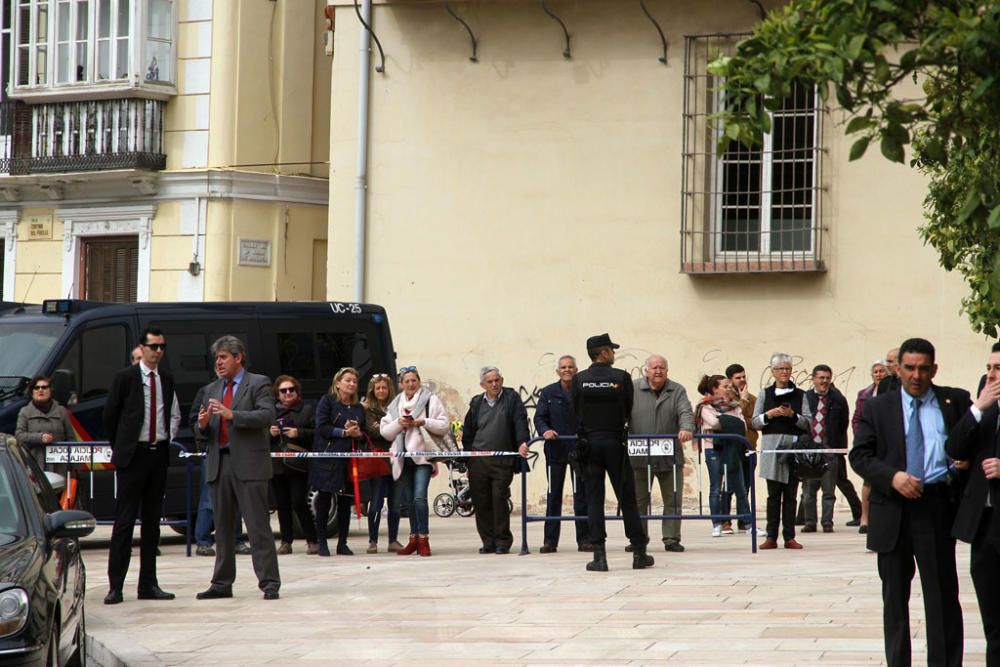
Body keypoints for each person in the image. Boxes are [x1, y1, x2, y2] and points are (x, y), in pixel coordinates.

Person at [849, 337, 968, 667]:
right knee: (895, 603)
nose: (916, 375)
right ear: (897, 368)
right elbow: (859, 457)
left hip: (936, 509)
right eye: (910, 368)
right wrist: (892, 477)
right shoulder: (877, 407)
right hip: (892, 512)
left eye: (923, 368)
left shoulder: (953, 402)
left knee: (942, 599)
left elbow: (972, 441)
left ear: (934, 369)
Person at [192, 335, 280, 601]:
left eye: (223, 357)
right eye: (216, 358)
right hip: (220, 464)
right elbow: (200, 431)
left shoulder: (258, 383)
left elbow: (267, 416)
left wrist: (233, 415)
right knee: (223, 528)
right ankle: (221, 582)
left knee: (257, 527)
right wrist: (203, 424)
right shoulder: (211, 390)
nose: (218, 363)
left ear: (238, 357)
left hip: (250, 464)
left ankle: (269, 582)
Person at [102, 328, 181, 605]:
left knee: (152, 523)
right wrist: (122, 447)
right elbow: (111, 416)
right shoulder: (125, 377)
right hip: (132, 455)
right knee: (124, 522)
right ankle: (116, 586)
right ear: (143, 348)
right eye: (153, 346)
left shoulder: (167, 379)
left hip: (157, 454)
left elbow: (169, 413)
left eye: (162, 347)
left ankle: (148, 583)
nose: (158, 351)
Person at [571, 333, 653, 571]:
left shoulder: (580, 379)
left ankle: (599, 556)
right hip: (615, 442)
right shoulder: (621, 377)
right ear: (604, 352)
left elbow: (575, 410)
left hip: (589, 443)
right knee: (627, 497)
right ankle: (639, 553)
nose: (614, 354)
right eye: (612, 350)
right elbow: (628, 408)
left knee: (594, 500)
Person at [947, 342, 1000, 667]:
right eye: (989, 368)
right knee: (994, 623)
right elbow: (954, 447)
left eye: (999, 369)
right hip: (985, 526)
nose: (992, 375)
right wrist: (977, 408)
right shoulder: (986, 410)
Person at [380, 366, 451, 556]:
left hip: (423, 458)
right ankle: (414, 539)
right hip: (403, 459)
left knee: (419, 497)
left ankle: (424, 539)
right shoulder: (395, 405)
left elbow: (444, 425)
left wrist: (423, 422)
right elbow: (385, 432)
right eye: (407, 381)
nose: (411, 384)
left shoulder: (430, 399)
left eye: (414, 380)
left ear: (419, 381)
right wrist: (398, 423)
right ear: (401, 384)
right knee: (410, 501)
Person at [462, 366, 530, 555]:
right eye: (490, 381)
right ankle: (488, 541)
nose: (494, 384)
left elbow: (520, 421)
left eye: (497, 380)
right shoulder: (476, 403)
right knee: (481, 502)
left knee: (499, 499)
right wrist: (468, 458)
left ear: (502, 380)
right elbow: (468, 432)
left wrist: (522, 442)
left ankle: (503, 541)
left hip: (502, 461)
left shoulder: (511, 399)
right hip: (479, 461)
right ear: (482, 384)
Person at [629, 354, 694, 553]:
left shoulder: (677, 390)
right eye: (654, 367)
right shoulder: (632, 389)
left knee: (672, 499)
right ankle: (638, 539)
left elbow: (685, 412)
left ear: (667, 371)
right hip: (639, 456)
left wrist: (686, 428)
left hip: (669, 456)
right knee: (638, 501)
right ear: (646, 370)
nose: (658, 371)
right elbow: (621, 413)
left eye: (662, 368)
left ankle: (671, 538)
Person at [751, 352, 811, 550]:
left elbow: (807, 423)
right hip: (771, 447)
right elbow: (754, 422)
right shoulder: (764, 394)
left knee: (791, 494)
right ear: (773, 372)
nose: (784, 372)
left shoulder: (800, 395)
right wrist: (769, 414)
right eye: (780, 369)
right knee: (773, 494)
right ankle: (771, 536)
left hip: (792, 447)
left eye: (787, 369)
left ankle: (789, 536)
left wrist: (792, 415)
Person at [533, 354, 590, 553]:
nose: (567, 370)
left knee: (580, 495)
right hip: (555, 451)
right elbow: (539, 417)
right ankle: (550, 541)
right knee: (553, 495)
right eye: (563, 367)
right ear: (558, 371)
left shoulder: (583, 391)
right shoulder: (548, 392)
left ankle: (585, 539)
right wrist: (545, 430)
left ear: (576, 370)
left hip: (578, 450)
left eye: (570, 367)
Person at [312, 367, 365, 557]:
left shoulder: (359, 408)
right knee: (324, 501)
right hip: (327, 458)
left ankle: (343, 542)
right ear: (338, 383)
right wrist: (343, 432)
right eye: (347, 380)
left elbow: (362, 435)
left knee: (345, 502)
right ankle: (322, 542)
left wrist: (358, 434)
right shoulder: (327, 402)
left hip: (348, 461)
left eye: (354, 381)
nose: (351, 384)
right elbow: (321, 427)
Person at [798, 365, 856, 533]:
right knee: (808, 491)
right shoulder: (806, 398)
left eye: (827, 378)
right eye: (821, 377)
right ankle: (810, 522)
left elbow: (843, 424)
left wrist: (839, 449)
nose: (824, 381)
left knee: (828, 490)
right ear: (813, 379)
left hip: (830, 451)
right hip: (810, 452)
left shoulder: (838, 399)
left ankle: (827, 522)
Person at [269, 375, 318, 555]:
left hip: (298, 465)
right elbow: (261, 440)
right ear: (278, 394)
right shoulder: (271, 413)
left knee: (298, 501)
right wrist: (270, 434)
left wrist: (299, 432)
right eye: (283, 391)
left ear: (297, 392)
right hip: (277, 465)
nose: (288, 393)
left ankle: (312, 539)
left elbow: (316, 433)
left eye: (291, 390)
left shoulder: (306, 410)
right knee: (282, 504)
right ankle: (286, 541)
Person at [694, 374, 748, 537]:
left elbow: (743, 425)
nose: (729, 389)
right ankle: (717, 523)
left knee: (740, 487)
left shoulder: (734, 405)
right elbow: (714, 423)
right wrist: (731, 422)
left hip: (732, 448)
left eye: (729, 386)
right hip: (714, 449)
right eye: (725, 386)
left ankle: (748, 523)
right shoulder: (705, 406)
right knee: (716, 487)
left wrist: (725, 421)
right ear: (714, 389)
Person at [364, 373, 404, 554]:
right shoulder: (368, 410)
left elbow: (401, 430)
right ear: (373, 390)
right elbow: (374, 432)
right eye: (378, 387)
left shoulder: (398, 407)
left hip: (396, 459)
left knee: (395, 503)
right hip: (378, 461)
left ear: (389, 390)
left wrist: (385, 425)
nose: (381, 391)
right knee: (376, 503)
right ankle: (372, 540)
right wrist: (391, 426)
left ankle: (393, 540)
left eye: (384, 387)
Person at [853, 359, 889, 535]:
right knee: (868, 481)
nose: (879, 374)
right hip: (870, 441)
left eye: (882, 371)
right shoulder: (864, 394)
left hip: (888, 442)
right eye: (876, 371)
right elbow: (857, 418)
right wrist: (860, 438)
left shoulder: (893, 392)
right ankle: (864, 518)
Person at [15, 375, 75, 472]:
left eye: (44, 387)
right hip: (35, 466)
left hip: (59, 467)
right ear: (32, 392)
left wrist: (73, 467)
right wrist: (40, 437)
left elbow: (71, 438)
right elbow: (19, 435)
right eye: (36, 387)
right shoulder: (25, 412)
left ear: (50, 391)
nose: (40, 390)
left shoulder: (61, 411)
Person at [726, 363, 758, 532]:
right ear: (730, 380)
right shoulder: (727, 399)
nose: (742, 380)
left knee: (746, 484)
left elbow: (757, 422)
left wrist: (744, 417)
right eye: (738, 378)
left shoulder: (753, 398)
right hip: (732, 448)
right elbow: (733, 422)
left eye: (744, 377)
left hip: (749, 446)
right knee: (730, 485)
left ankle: (743, 519)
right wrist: (743, 403)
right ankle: (725, 520)